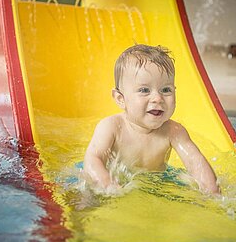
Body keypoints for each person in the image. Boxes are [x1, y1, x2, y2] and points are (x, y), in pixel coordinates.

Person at [83, 44, 220, 195]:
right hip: (114, 182)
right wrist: (108, 186)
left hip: (155, 184)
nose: (157, 98)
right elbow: (93, 159)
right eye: (144, 90)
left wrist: (213, 193)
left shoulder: (173, 131)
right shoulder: (112, 127)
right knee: (85, 197)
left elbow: (196, 163)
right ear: (120, 98)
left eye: (166, 90)